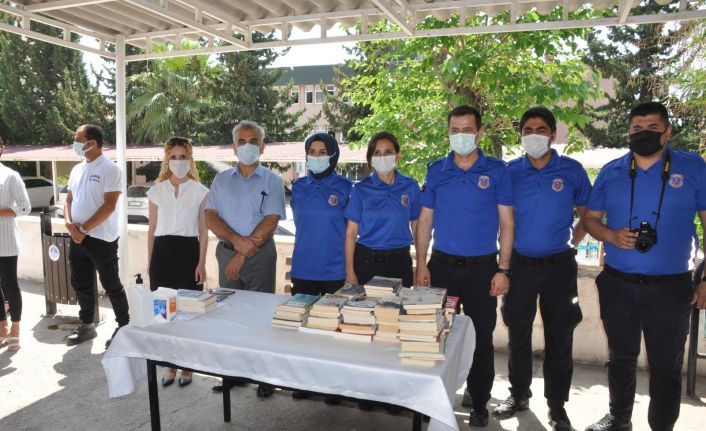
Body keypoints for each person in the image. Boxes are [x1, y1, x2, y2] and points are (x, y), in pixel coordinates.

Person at [584, 102, 706, 431]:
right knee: (620, 358)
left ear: (667, 132)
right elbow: (591, 219)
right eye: (637, 128)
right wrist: (610, 235)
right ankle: (619, 418)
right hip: (617, 284)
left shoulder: (693, 167)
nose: (644, 134)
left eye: (652, 127)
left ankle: (661, 426)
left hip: (671, 287)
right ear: (628, 132)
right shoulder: (611, 171)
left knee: (666, 366)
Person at [414, 105, 513, 427]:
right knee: (436, 335)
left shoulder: (497, 171)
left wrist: (503, 269)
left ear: (479, 133)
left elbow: (507, 223)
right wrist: (421, 264)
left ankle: (479, 402)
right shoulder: (436, 171)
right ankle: (433, 401)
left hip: (483, 269)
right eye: (454, 130)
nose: (461, 136)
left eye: (467, 130)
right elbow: (425, 221)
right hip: (442, 267)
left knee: (481, 339)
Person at [494, 107, 591, 430]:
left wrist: (572, 242)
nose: (533, 135)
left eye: (540, 129)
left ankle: (557, 406)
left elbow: (589, 216)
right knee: (518, 334)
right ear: (520, 135)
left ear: (552, 134)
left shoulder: (572, 170)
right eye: (527, 130)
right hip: (519, 265)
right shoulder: (510, 172)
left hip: (559, 267)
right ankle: (519, 395)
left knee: (560, 336)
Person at [205, 120, 285, 398]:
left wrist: (241, 253)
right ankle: (233, 373)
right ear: (234, 147)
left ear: (262, 147)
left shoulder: (273, 181)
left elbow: (271, 220)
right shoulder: (221, 180)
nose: (247, 146)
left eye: (253, 141)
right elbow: (210, 216)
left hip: (261, 256)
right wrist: (237, 244)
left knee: (261, 315)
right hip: (227, 254)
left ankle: (264, 377)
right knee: (230, 315)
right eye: (242, 141)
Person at [146, 136, 209, 388]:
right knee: (163, 313)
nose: (178, 161)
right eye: (173, 156)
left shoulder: (200, 191)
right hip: (162, 253)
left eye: (183, 156)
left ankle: (187, 365)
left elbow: (203, 231)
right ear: (167, 159)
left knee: (188, 312)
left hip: (188, 252)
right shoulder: (156, 191)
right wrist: (150, 261)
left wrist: (201, 263)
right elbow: (152, 229)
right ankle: (169, 362)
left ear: (190, 159)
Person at [64, 124, 129, 348]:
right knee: (81, 283)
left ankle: (124, 327)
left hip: (102, 238)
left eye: (78, 139)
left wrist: (83, 230)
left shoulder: (111, 169)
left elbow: (109, 206)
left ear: (92, 143)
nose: (75, 143)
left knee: (111, 284)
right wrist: (69, 225)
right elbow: (69, 200)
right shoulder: (77, 169)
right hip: (77, 237)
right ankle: (87, 326)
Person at [344, 131, 421, 288]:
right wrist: (349, 271)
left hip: (400, 262)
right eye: (377, 153)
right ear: (371, 159)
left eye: (388, 152)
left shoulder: (410, 186)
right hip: (366, 263)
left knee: (400, 304)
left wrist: (421, 264)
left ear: (398, 154)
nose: (382, 157)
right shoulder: (360, 190)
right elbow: (351, 233)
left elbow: (417, 228)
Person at [290, 133, 352, 296]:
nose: (316, 157)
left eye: (323, 152)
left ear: (333, 155)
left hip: (336, 272)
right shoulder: (298, 187)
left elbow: (351, 232)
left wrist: (350, 270)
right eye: (312, 152)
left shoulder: (346, 187)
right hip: (302, 270)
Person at [0, 136, 31, 351]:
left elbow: (25, 207)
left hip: (6, 240)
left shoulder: (10, 175)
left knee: (10, 284)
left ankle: (16, 327)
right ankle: (2, 326)